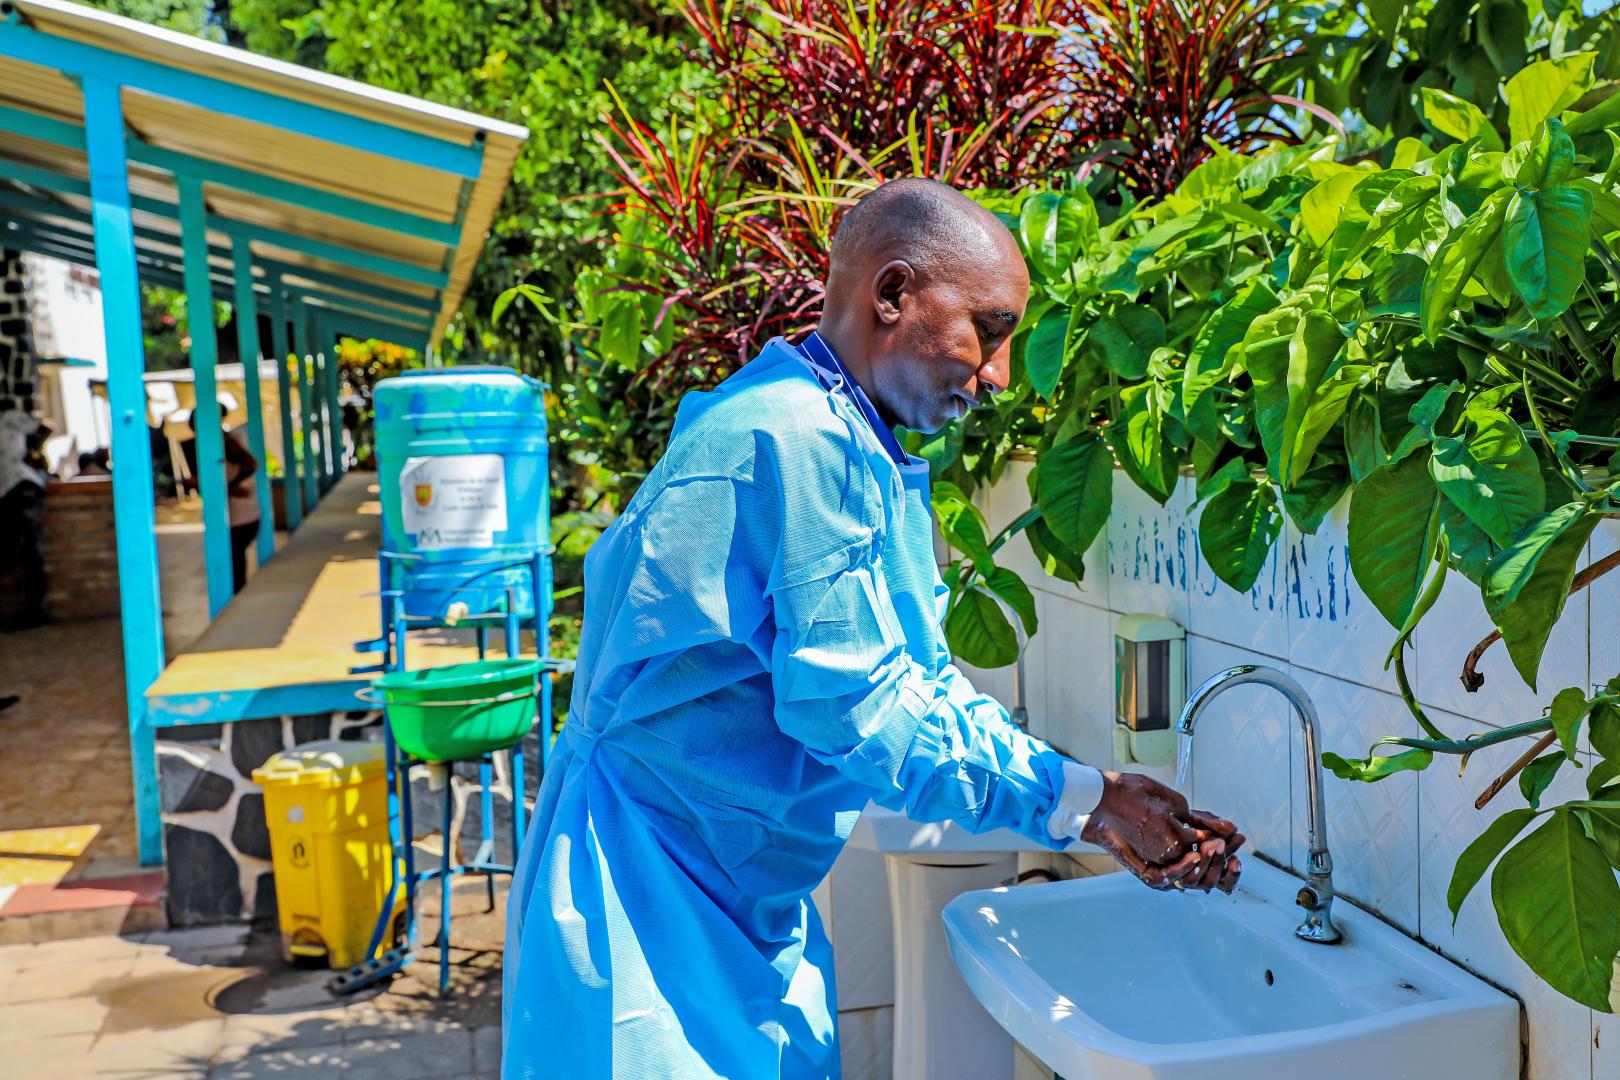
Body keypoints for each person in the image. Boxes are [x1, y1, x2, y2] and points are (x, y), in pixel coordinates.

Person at [502, 179, 1245, 1079]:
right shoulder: (792, 439)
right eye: (988, 330)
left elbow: (912, 681)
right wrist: (1079, 800)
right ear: (892, 295)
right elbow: (862, 709)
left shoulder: (837, 434)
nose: (1000, 376)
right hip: (645, 896)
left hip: (728, 895)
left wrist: (1095, 793)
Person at [0, 411, 50, 629]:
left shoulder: (8, 418)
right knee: (23, 552)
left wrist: (31, 453)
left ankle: (36, 611)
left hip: (19, 487)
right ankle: (34, 611)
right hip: (14, 487)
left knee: (27, 551)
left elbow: (43, 427)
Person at [223, 427, 261, 593]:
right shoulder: (232, 462)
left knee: (236, 561)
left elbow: (243, 491)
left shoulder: (240, 464)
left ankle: (239, 593)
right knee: (235, 561)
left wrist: (226, 487)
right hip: (241, 519)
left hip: (242, 521)